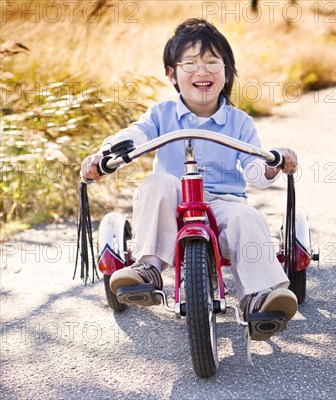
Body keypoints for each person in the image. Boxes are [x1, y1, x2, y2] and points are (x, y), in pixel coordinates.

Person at [80, 18, 298, 340]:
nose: (203, 71)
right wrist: (107, 154)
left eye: (212, 62)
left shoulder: (238, 121)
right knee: (157, 184)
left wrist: (272, 163)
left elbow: (254, 168)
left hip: (222, 205)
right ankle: (148, 267)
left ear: (226, 73)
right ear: (172, 73)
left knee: (246, 216)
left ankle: (259, 296)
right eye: (190, 63)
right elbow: (136, 135)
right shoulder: (161, 115)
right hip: (175, 204)